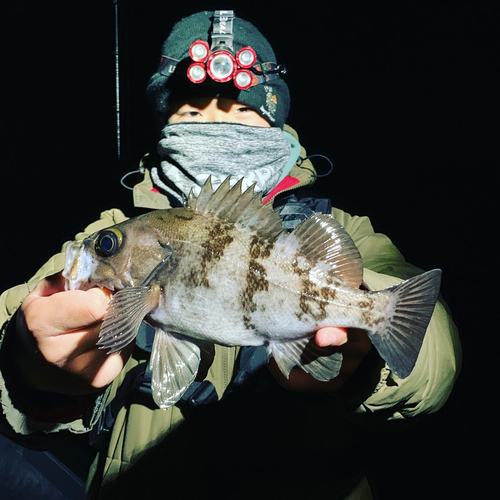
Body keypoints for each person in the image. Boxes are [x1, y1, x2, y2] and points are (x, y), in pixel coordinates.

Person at [0, 10, 461, 499]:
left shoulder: (337, 226)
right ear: (164, 122)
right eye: (193, 113)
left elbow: (436, 348)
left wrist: (365, 363)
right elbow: (23, 316)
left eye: (242, 112)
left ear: (278, 122)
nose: (217, 125)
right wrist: (26, 365)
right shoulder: (118, 227)